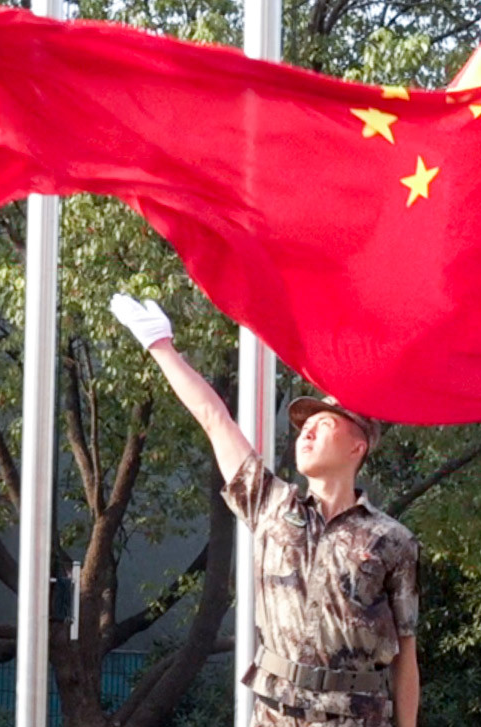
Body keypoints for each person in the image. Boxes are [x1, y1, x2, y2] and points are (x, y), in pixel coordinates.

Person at [110, 294, 420, 727]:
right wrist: (161, 346)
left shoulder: (392, 540)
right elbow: (214, 419)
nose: (307, 431)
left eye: (323, 423)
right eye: (304, 426)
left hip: (356, 717)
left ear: (358, 446)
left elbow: (406, 656)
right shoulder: (272, 504)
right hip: (276, 714)